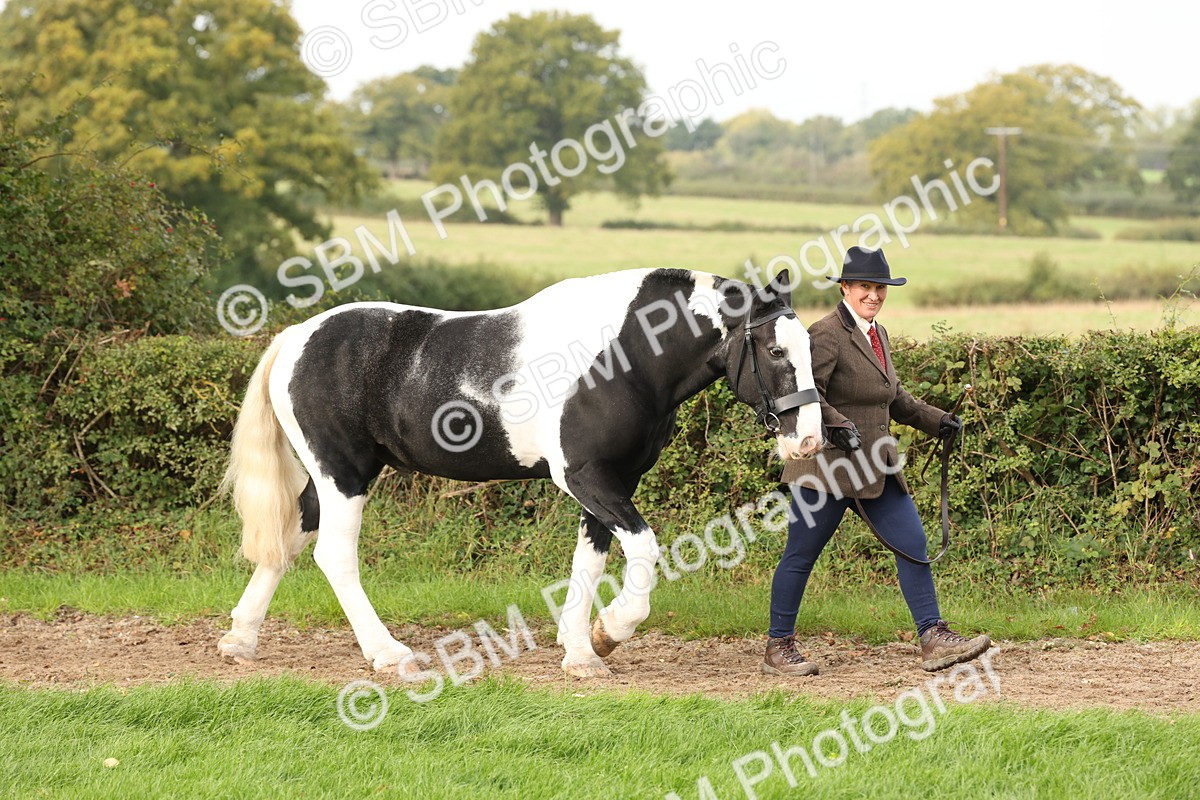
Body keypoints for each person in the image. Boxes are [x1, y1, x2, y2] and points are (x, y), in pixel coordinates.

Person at [762, 246, 990, 676]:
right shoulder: (825, 333)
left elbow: (894, 398)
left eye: (879, 288)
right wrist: (837, 423)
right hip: (826, 470)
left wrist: (938, 421)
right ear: (846, 287)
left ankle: (933, 637)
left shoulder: (877, 334)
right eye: (865, 286)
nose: (873, 295)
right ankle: (779, 647)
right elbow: (810, 396)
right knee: (800, 556)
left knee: (913, 544)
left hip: (875, 468)